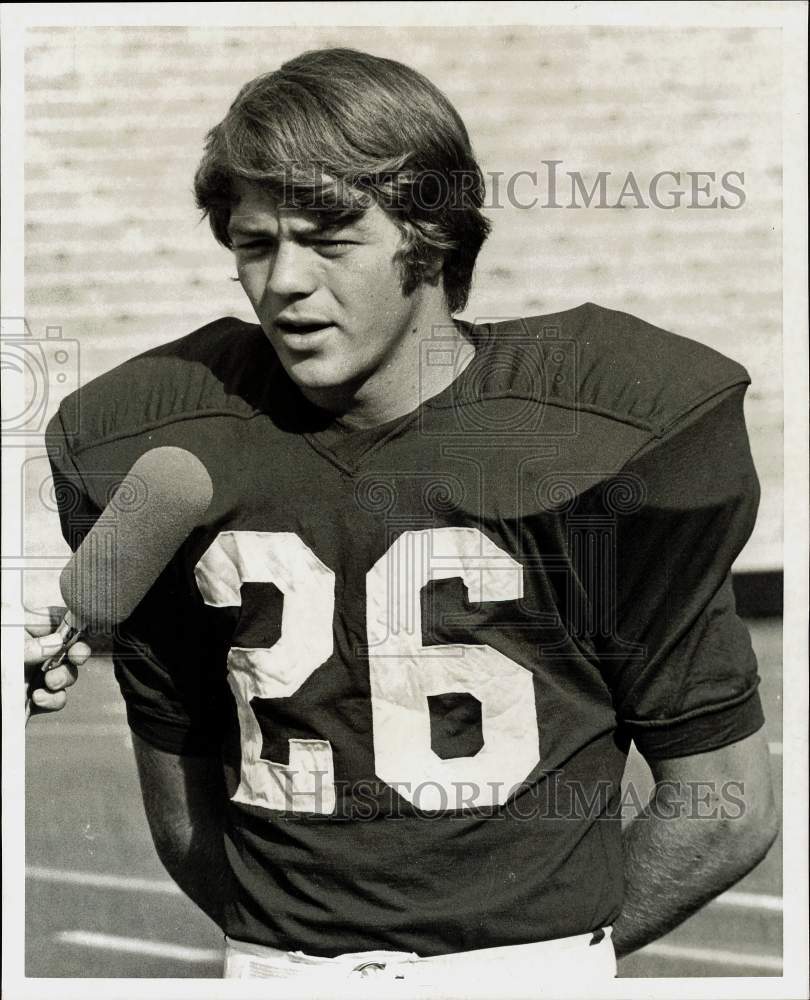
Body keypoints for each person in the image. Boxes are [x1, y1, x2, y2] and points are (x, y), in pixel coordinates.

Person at [34, 47, 778, 992]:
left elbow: (727, 807)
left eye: (329, 237)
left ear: (427, 238)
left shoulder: (593, 436)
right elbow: (183, 803)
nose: (284, 282)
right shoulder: (168, 442)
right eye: (255, 244)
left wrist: (551, 958)